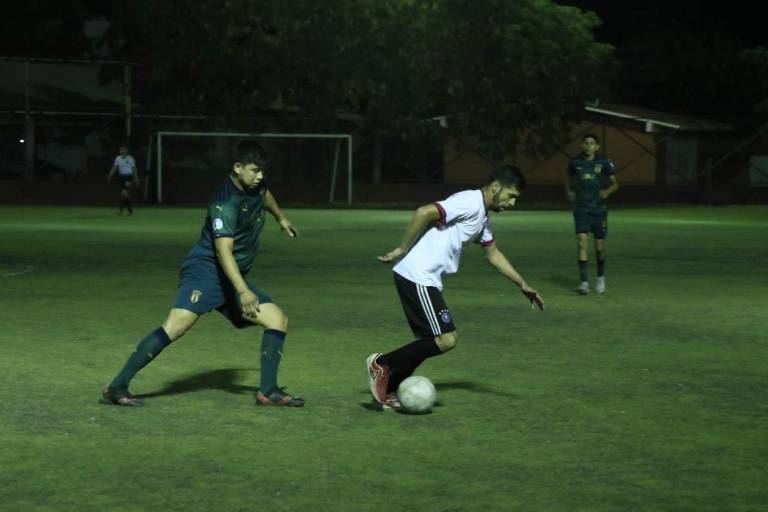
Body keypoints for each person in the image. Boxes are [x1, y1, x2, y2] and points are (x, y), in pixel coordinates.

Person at [101, 141, 304, 407]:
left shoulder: (256, 185)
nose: (260, 176)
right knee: (176, 326)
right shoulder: (224, 203)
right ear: (238, 167)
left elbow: (266, 196)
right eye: (255, 170)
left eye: (262, 171)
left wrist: (281, 218)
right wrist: (243, 291)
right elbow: (223, 251)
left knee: (277, 319)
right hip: (206, 271)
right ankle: (117, 386)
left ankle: (268, 391)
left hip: (231, 276)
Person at [367, 165, 545, 410]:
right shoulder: (469, 202)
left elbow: (493, 254)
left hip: (425, 278)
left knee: (430, 341)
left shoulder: (483, 217)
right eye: (511, 195)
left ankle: (388, 387)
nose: (512, 203)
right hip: (417, 274)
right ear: (496, 187)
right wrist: (402, 248)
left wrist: (522, 284)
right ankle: (381, 364)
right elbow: (425, 211)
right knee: (446, 339)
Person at [564, 133, 619, 295]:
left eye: (592, 143)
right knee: (582, 243)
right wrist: (569, 191)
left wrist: (607, 192)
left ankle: (600, 276)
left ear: (597, 147)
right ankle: (584, 283)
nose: (589, 146)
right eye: (586, 143)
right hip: (581, 209)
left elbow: (616, 184)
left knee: (599, 248)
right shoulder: (575, 162)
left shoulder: (604, 162)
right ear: (582, 145)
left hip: (598, 210)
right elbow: (567, 177)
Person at [107, 145, 141, 215]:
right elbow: (114, 168)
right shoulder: (118, 158)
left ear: (126, 151)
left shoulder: (130, 158)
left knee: (124, 193)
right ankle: (129, 211)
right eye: (121, 150)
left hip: (128, 177)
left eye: (123, 150)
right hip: (122, 177)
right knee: (125, 195)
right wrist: (110, 175)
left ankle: (121, 211)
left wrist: (136, 178)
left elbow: (134, 169)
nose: (122, 151)